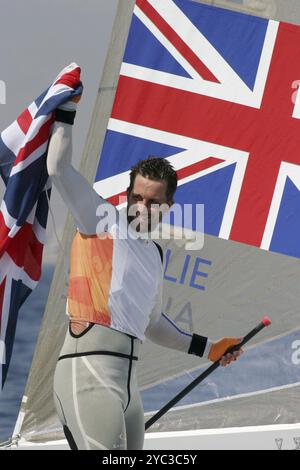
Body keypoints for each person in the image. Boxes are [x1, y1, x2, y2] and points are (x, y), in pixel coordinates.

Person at [48, 93, 243, 451]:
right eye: (137, 198)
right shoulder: (100, 220)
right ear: (127, 196)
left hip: (128, 388)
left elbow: (152, 324)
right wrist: (66, 111)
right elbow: (58, 169)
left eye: (153, 202)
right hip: (86, 375)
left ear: (168, 207)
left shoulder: (153, 254)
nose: (142, 207)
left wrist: (210, 348)